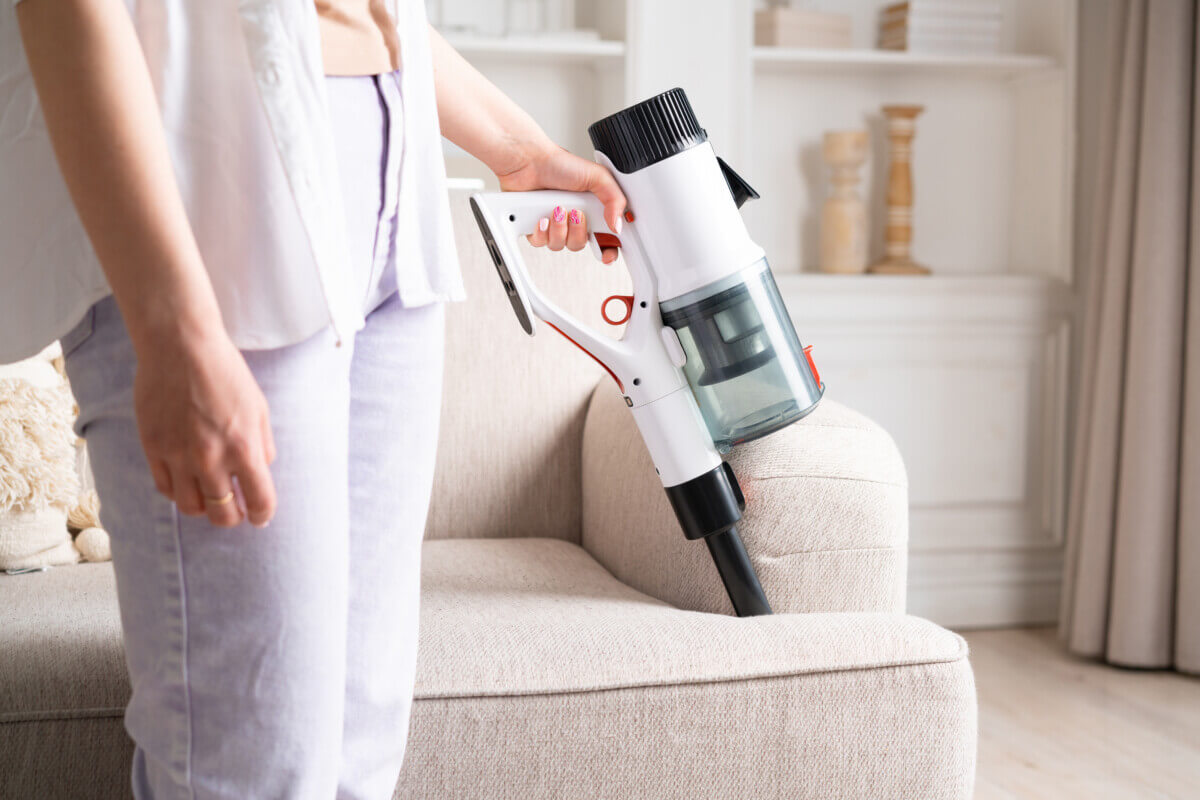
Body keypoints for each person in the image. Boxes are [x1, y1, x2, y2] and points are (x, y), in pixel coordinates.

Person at [2, 1, 626, 797]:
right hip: (216, 207)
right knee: (250, 761)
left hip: (393, 186)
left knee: (356, 747)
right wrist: (172, 325)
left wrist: (519, 148)